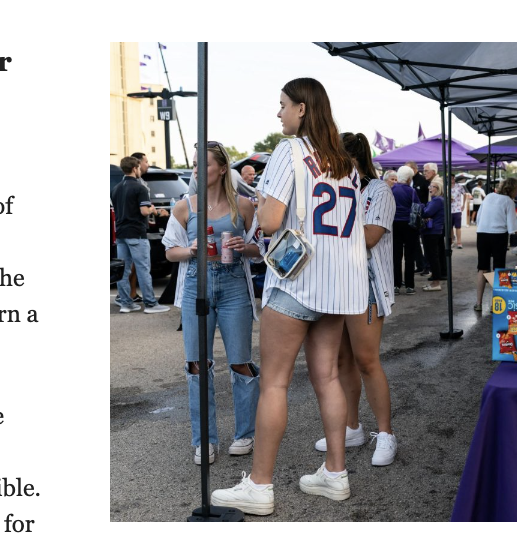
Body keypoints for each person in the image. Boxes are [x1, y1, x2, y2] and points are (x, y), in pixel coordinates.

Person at [211, 77, 369, 515]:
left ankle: (259, 486)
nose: (277, 113)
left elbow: (272, 216)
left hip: (297, 278)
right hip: (338, 284)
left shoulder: (289, 151)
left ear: (302, 109)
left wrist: (260, 204)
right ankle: (335, 474)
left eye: (282, 105)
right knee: (329, 378)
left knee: (275, 382)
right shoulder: (347, 163)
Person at [166, 142, 261, 463]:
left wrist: (243, 246)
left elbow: (263, 249)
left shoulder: (245, 206)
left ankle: (245, 434)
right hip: (197, 287)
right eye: (194, 164)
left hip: (234, 286)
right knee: (197, 365)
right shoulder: (184, 207)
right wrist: (191, 249)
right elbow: (170, 251)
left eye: (203, 164)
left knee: (240, 362)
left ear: (222, 169)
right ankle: (203, 440)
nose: (195, 169)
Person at [315, 133, 398, 465]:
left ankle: (386, 434)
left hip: (366, 285)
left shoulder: (378, 191)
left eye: (334, 159)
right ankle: (352, 427)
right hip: (336, 286)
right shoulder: (336, 189)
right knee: (341, 362)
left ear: (352, 159)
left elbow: (369, 237)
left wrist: (329, 223)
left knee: (367, 361)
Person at [112, 156, 169, 314]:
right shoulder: (140, 187)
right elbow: (144, 211)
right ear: (135, 168)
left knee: (124, 270)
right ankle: (150, 303)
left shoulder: (116, 188)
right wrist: (152, 209)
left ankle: (126, 303)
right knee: (143, 268)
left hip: (121, 233)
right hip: (136, 233)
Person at [473, 178, 517, 310]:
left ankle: (478, 303)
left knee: (482, 268)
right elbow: (513, 227)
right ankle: (494, 304)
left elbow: (479, 217)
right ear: (512, 189)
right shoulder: (509, 201)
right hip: (498, 236)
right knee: (498, 270)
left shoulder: (489, 196)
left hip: (482, 234)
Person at [390, 164, 421, 295]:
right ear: (409, 178)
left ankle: (396, 285)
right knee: (409, 256)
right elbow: (417, 207)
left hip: (394, 224)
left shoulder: (391, 189)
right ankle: (409, 285)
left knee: (396, 256)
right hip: (409, 225)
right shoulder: (411, 191)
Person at [420, 178, 447, 291]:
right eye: (430, 186)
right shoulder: (437, 200)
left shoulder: (437, 200)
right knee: (433, 256)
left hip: (432, 231)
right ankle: (435, 281)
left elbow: (426, 212)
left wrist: (421, 206)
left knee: (433, 256)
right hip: (433, 231)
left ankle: (436, 283)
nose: (430, 188)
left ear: (438, 189)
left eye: (433, 187)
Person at [450, 174, 467, 249]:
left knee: (458, 226)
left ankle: (459, 242)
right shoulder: (446, 187)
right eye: (450, 179)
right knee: (449, 227)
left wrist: (463, 205)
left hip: (457, 209)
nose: (451, 180)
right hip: (449, 209)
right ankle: (452, 240)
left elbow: (465, 194)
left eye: (452, 178)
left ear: (454, 179)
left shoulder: (459, 186)